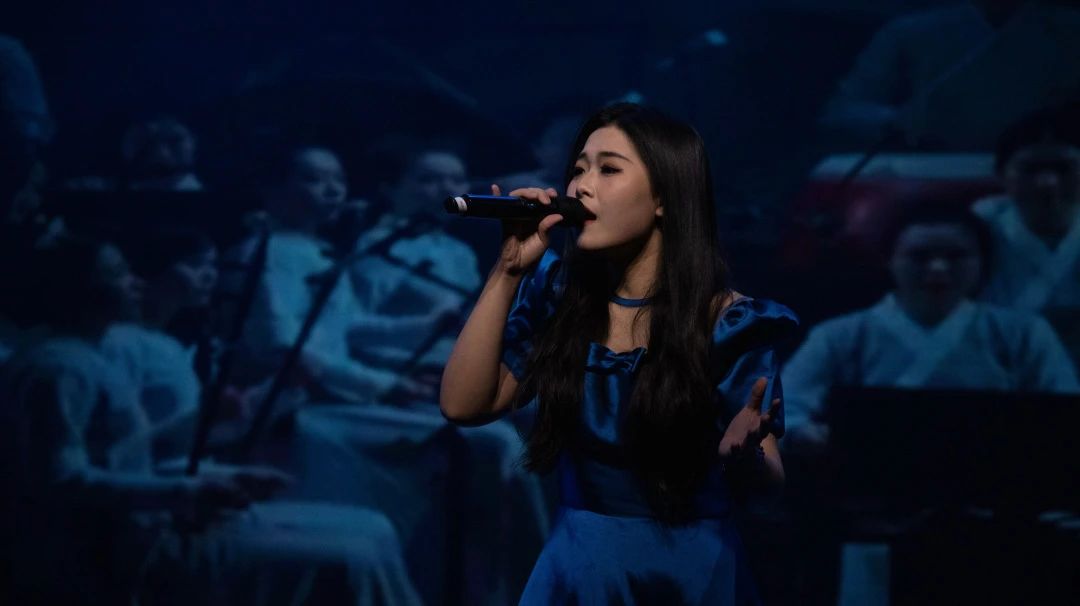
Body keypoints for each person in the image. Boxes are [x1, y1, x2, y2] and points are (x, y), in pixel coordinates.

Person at [441, 103, 797, 604]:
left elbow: (769, 483)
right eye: (578, 169)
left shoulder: (729, 323)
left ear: (664, 197)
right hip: (577, 570)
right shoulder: (558, 297)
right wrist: (508, 270)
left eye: (608, 170)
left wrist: (745, 457)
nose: (581, 187)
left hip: (687, 575)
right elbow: (463, 405)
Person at [1, 235, 422, 605]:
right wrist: (187, 491)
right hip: (125, 551)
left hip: (154, 520)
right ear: (77, 291)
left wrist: (218, 474)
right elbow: (59, 481)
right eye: (116, 274)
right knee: (352, 555)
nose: (135, 282)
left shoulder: (88, 357)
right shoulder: (59, 369)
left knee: (373, 527)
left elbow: (127, 455)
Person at [784, 201, 1079, 451]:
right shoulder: (840, 335)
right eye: (920, 256)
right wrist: (803, 432)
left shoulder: (1024, 333)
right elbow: (782, 407)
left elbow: (1065, 410)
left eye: (956, 256)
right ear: (889, 260)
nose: (938, 268)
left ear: (981, 262)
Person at [973, 103, 1080, 367]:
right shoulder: (973, 233)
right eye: (1030, 169)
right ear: (1001, 175)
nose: (1048, 183)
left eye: (1063, 169)